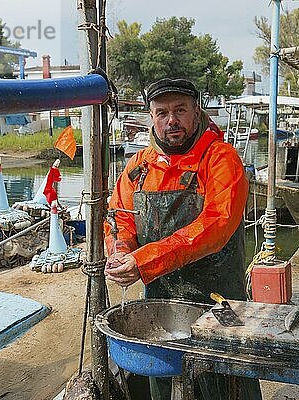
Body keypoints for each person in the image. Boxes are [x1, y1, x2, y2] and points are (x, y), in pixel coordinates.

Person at [104, 78, 262, 400]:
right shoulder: (138, 167)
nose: (171, 120)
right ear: (151, 117)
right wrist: (120, 251)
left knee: (224, 385)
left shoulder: (221, 159)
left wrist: (146, 261)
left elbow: (215, 226)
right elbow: (120, 218)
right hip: (160, 308)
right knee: (163, 384)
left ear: (196, 111)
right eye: (162, 112)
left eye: (180, 110)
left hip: (218, 304)